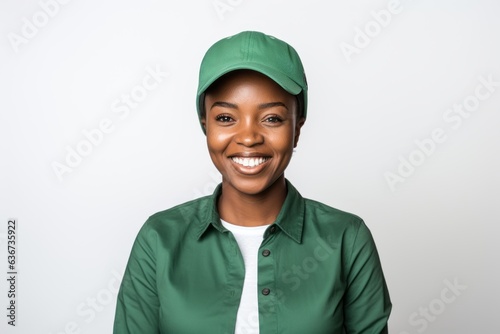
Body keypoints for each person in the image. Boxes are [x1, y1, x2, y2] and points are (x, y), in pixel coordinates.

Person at [113, 31, 391, 334]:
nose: (248, 137)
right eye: (225, 118)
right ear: (205, 125)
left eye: (272, 118)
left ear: (297, 127)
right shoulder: (159, 240)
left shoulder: (347, 240)